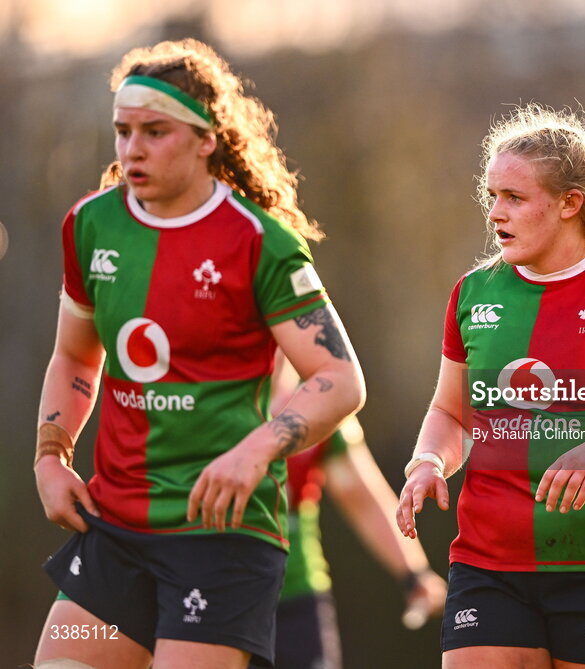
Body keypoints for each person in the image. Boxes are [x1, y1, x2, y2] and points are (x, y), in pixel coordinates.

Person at [33, 39, 365, 669]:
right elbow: (76, 358)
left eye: (155, 132)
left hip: (221, 538)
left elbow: (340, 378)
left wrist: (256, 450)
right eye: (123, 131)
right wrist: (52, 456)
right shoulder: (90, 225)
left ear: (207, 137)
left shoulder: (260, 244)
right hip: (117, 528)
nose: (132, 149)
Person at [396, 104, 585, 669]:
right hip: (488, 563)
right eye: (492, 197)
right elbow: (451, 413)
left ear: (569, 203)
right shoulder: (474, 292)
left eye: (514, 198)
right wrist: (428, 461)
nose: (495, 214)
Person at [266, 358, 447, 669]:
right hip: (219, 592)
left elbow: (362, 498)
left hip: (298, 593)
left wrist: (413, 573)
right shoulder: (209, 401)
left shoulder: (322, 406)